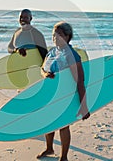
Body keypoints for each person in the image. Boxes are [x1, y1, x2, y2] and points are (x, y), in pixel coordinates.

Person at [37, 21, 90, 161]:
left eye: (59, 34)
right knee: (48, 123)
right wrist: (45, 74)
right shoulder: (52, 52)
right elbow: (42, 69)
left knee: (63, 125)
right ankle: (49, 148)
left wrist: (83, 106)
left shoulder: (71, 55)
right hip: (50, 94)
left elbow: (80, 81)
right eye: (54, 34)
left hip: (64, 95)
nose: (55, 37)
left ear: (67, 36)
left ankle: (64, 157)